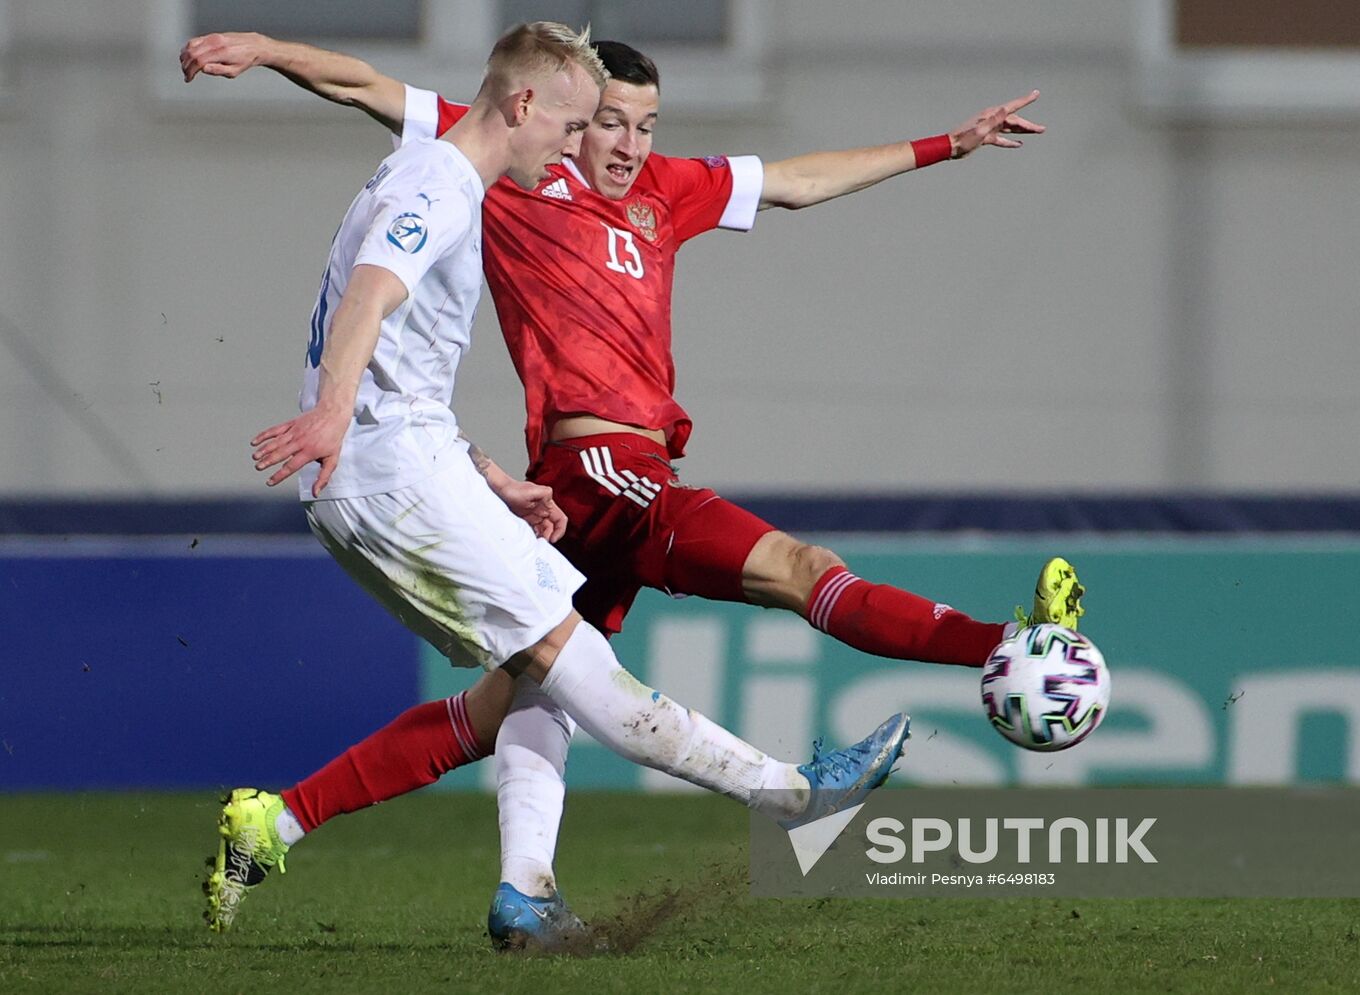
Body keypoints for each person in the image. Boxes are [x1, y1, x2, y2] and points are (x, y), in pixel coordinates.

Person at [182, 32, 1081, 947]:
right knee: (792, 569)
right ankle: (936, 698)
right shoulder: (485, 159)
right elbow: (366, 92)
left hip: (532, 480)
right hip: (599, 472)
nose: (617, 145)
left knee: (521, 698)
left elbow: (799, 180)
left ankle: (332, 834)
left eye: (643, 126)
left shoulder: (659, 190)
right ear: (550, 113)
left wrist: (945, 145)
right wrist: (262, 49)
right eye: (602, 122)